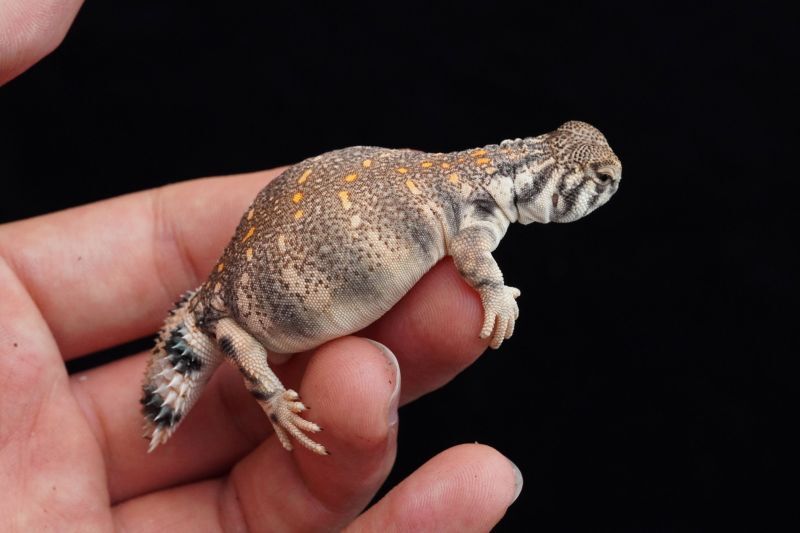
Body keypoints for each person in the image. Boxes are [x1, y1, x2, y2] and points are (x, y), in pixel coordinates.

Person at [0, 2, 522, 529]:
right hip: (231, 309)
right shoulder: (470, 202)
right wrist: (273, 400)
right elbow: (472, 256)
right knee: (236, 347)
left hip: (255, 283)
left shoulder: (466, 190)